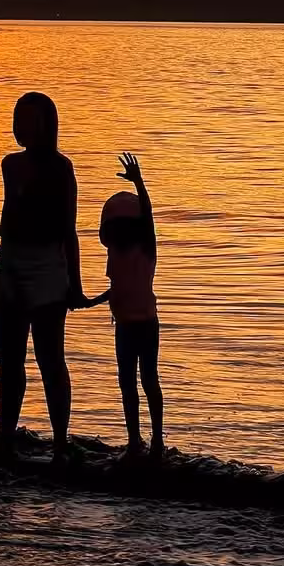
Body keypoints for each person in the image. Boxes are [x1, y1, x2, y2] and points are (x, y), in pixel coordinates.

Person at [0, 92, 86, 461]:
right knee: (9, 358)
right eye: (21, 118)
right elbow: (9, 215)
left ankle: (61, 443)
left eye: (33, 119)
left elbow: (69, 228)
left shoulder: (61, 168)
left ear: (48, 125)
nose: (25, 126)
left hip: (48, 266)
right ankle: (4, 439)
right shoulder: (9, 164)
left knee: (50, 357)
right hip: (11, 261)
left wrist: (75, 285)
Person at [88, 152, 164, 458]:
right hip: (124, 326)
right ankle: (135, 441)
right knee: (126, 383)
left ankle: (156, 439)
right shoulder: (114, 254)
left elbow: (149, 218)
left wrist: (139, 182)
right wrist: (89, 301)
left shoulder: (145, 248)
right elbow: (116, 289)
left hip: (145, 323)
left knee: (148, 380)